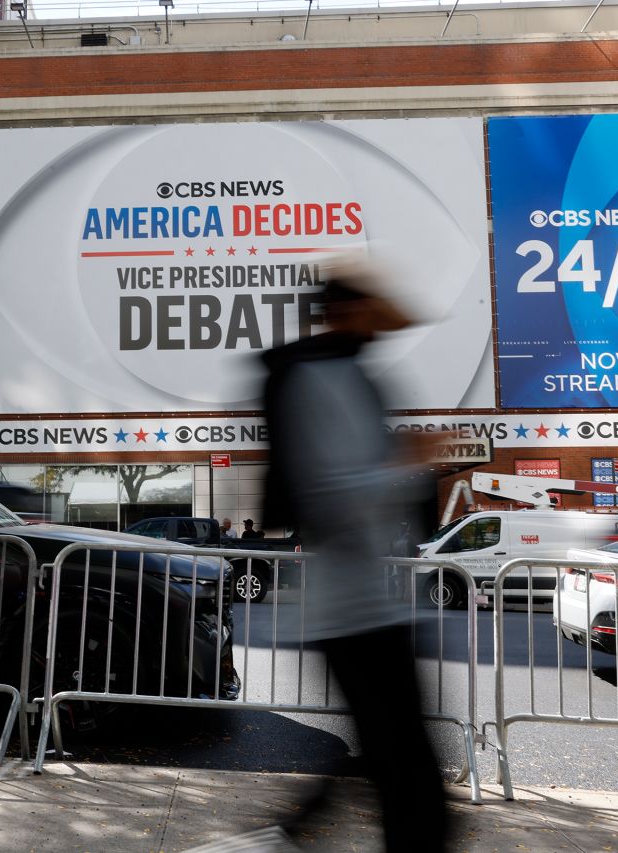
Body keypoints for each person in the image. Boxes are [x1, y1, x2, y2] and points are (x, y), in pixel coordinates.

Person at [261, 253, 448, 852]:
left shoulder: (352, 373)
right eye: (369, 305)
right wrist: (403, 463)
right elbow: (325, 495)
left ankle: (290, 834)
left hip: (371, 607)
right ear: (346, 311)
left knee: (398, 765)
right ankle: (283, 838)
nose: (384, 320)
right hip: (352, 612)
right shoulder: (320, 380)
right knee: (410, 780)